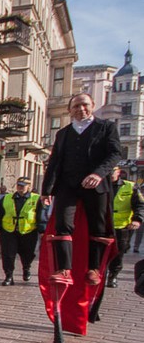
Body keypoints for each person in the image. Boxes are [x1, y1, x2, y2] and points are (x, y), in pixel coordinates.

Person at [42, 92, 122, 285]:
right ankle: (64, 269)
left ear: (92, 105)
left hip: (95, 186)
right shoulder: (63, 134)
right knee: (63, 224)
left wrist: (98, 173)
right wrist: (46, 190)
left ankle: (93, 268)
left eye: (84, 105)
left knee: (98, 225)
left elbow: (115, 153)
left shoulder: (106, 128)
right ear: (70, 110)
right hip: (67, 185)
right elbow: (54, 163)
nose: (81, 109)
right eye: (76, 106)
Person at [0, 177, 45, 285]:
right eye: (19, 185)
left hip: (28, 231)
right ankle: (8, 276)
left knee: (27, 254)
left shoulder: (36, 199)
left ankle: (26, 268)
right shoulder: (7, 198)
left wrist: (42, 230)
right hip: (9, 230)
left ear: (28, 187)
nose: (20, 188)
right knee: (8, 254)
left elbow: (40, 216)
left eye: (23, 185)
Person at [105, 168, 144, 287]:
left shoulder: (130, 186)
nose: (111, 172)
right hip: (102, 225)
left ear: (118, 172)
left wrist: (137, 220)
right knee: (99, 253)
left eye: (113, 170)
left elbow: (140, 205)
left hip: (122, 227)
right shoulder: (100, 184)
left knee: (118, 253)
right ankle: (100, 275)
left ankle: (113, 276)